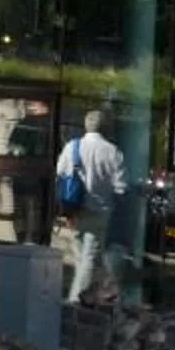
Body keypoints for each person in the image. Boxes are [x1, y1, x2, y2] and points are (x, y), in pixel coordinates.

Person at [58, 107, 127, 304]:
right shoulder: (113, 151)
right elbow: (121, 187)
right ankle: (75, 302)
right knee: (89, 257)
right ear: (105, 128)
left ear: (86, 126)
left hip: (74, 209)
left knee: (82, 253)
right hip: (99, 210)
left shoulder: (72, 146)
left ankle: (98, 292)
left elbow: (60, 172)